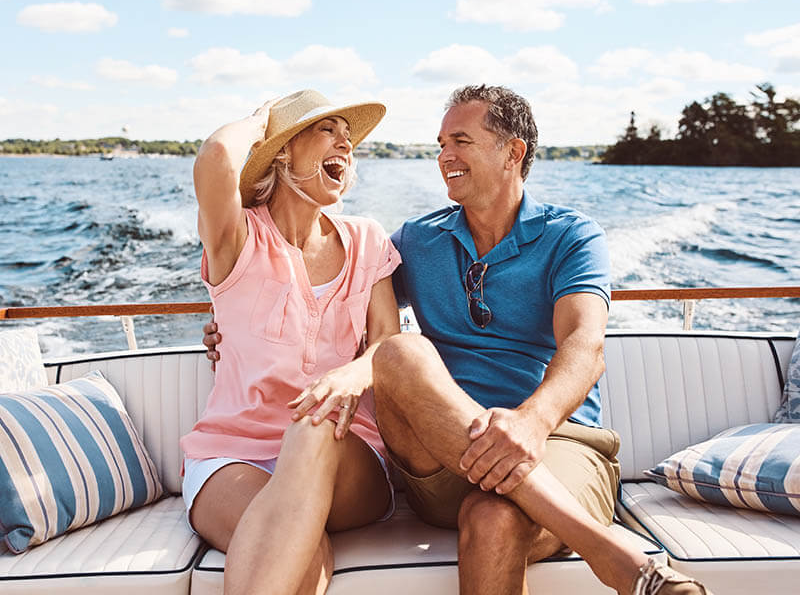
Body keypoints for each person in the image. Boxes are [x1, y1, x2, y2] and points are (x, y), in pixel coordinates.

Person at [204, 85, 713, 595]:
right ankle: (618, 558)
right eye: (441, 143)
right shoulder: (416, 241)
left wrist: (531, 423)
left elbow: (585, 344)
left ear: (513, 151)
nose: (444, 156)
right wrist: (228, 326)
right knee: (403, 350)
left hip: (556, 441)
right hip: (440, 459)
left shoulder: (573, 236)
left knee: (494, 518)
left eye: (461, 141)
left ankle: (606, 551)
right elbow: (333, 302)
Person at [182, 89, 401, 595]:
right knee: (302, 553)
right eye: (328, 131)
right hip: (233, 454)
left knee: (315, 429)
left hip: (348, 450)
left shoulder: (368, 239)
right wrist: (264, 120)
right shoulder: (237, 237)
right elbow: (216, 157)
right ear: (283, 151)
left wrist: (353, 373)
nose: (346, 145)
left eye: (350, 139)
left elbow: (387, 341)